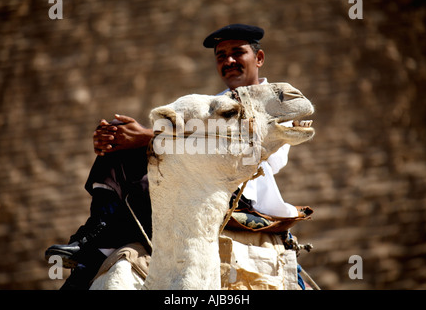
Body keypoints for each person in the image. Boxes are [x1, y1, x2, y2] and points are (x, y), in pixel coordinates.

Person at [45, 24, 299, 289]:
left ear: (259, 58)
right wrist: (116, 137)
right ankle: (96, 234)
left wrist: (146, 136)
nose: (229, 61)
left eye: (237, 53)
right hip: (198, 179)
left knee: (154, 173)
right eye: (221, 55)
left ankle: (99, 246)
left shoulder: (275, 101)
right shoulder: (214, 102)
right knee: (124, 141)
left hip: (236, 190)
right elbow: (179, 134)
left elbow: (241, 147)